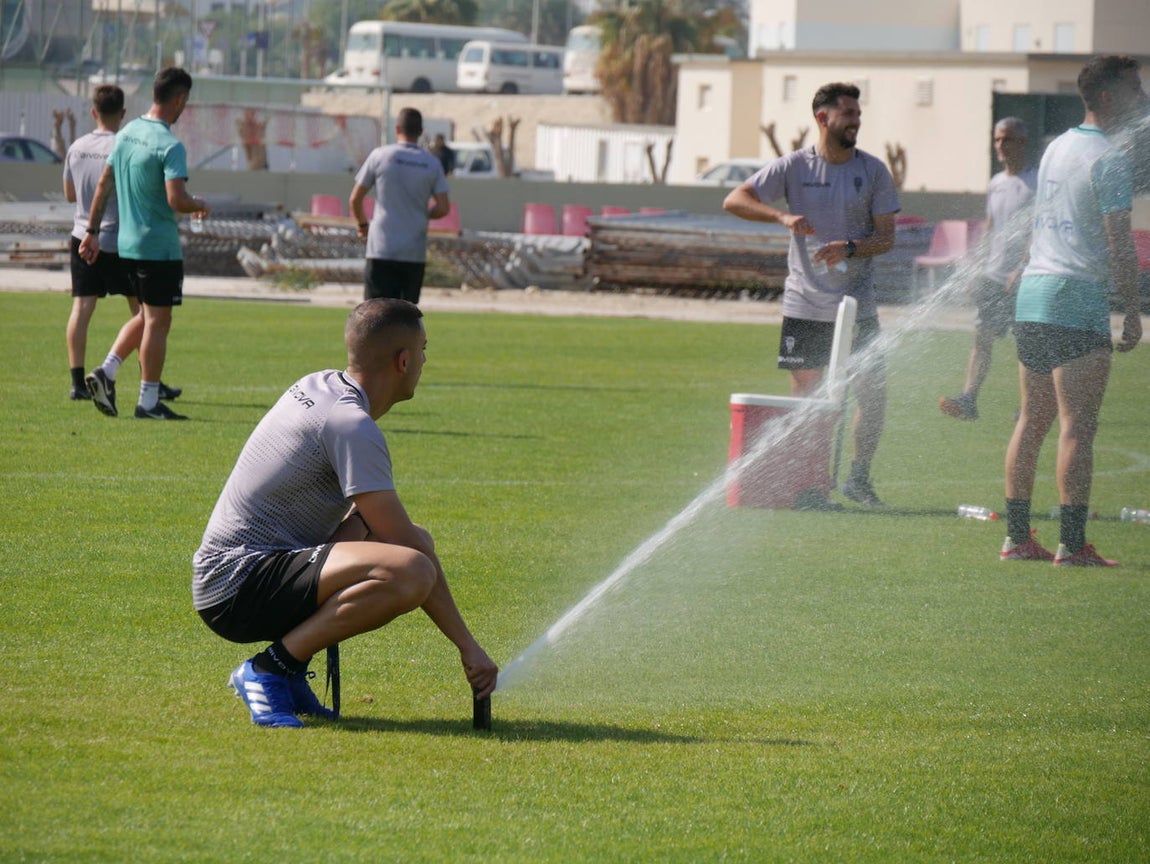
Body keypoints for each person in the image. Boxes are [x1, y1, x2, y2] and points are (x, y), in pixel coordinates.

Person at [193, 298, 498, 727]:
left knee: (416, 542)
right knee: (410, 569)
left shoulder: (320, 385)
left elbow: (389, 529)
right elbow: (402, 545)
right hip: (234, 584)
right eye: (425, 350)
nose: (426, 360)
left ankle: (290, 672)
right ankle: (269, 670)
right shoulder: (350, 423)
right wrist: (468, 646)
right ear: (404, 360)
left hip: (248, 570)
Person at [723, 82, 900, 508]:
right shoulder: (793, 167)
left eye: (858, 114)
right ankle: (807, 485)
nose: (856, 121)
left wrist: (851, 248)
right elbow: (735, 199)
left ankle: (858, 477)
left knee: (872, 392)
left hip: (856, 305)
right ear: (823, 119)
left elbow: (887, 237)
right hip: (805, 302)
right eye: (848, 115)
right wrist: (782, 215)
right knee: (807, 397)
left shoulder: (873, 171)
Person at [1000, 55, 1144, 567]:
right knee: (1078, 426)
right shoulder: (1111, 156)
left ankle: (1017, 539)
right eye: (1134, 88)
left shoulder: (1057, 146)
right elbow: (1118, 241)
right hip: (1076, 297)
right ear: (1109, 99)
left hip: (1034, 295)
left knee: (1031, 419)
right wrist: (1132, 308)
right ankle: (1073, 544)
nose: (1142, 97)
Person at [80, 67, 208, 421]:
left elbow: (104, 182)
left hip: (127, 243)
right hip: (159, 247)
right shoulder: (170, 145)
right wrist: (200, 204)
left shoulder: (128, 132)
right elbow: (176, 199)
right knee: (158, 321)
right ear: (179, 99)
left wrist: (91, 231)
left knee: (146, 315)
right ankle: (148, 402)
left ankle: (106, 371)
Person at [64, 84, 182, 406]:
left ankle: (77, 382)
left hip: (83, 235)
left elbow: (70, 194)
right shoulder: (127, 141)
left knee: (82, 309)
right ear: (124, 113)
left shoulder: (77, 147)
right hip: (120, 238)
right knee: (146, 312)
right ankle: (149, 381)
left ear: (93, 111)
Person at [939, 117, 1038, 421]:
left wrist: (1022, 266)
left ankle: (1031, 407)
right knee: (981, 339)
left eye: (1006, 139)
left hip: (1023, 278)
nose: (1000, 146)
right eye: (996, 140)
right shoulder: (996, 183)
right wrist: (976, 267)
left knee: (1027, 345)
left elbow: (1038, 229)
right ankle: (969, 400)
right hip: (992, 277)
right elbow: (990, 228)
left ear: (1021, 142)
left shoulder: (1035, 182)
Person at [350, 107, 450, 305]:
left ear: (397, 129)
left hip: (381, 249)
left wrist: (363, 225)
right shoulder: (431, 163)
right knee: (405, 320)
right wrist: (422, 214)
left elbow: (355, 199)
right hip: (413, 252)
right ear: (421, 132)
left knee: (375, 316)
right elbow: (443, 208)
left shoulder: (380, 156)